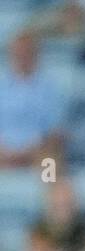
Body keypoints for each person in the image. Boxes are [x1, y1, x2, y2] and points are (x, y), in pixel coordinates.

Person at [0, 32, 67, 169]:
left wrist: (30, 152)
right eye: (18, 53)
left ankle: (50, 189)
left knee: (50, 162)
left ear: (36, 55)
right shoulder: (2, 87)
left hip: (38, 152)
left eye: (26, 52)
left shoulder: (51, 90)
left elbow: (56, 132)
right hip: (3, 152)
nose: (22, 57)